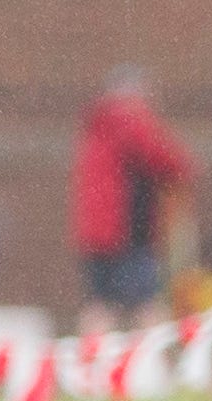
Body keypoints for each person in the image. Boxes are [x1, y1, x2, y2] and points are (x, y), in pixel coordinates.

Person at [72, 66, 195, 333]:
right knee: (147, 303)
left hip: (96, 235)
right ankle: (153, 368)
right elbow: (169, 159)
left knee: (100, 304)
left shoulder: (98, 123)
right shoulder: (128, 119)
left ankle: (92, 366)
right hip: (126, 231)